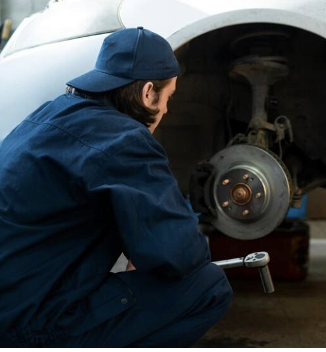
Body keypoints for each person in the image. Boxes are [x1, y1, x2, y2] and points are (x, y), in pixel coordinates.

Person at [0, 27, 232, 347]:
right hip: (30, 323)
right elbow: (181, 254)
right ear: (148, 92)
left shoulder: (48, 114)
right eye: (169, 98)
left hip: (13, 299)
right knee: (209, 286)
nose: (166, 110)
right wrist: (149, 245)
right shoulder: (125, 139)